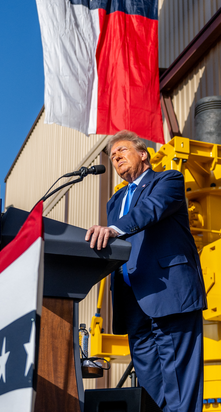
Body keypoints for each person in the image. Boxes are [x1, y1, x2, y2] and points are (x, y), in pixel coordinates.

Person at [85, 130, 207, 412]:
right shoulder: (115, 201)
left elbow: (150, 210)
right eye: (113, 156)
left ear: (143, 154)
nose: (116, 158)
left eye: (122, 151)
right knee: (150, 383)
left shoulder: (169, 180)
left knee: (179, 379)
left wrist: (113, 229)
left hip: (168, 291)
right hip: (132, 299)